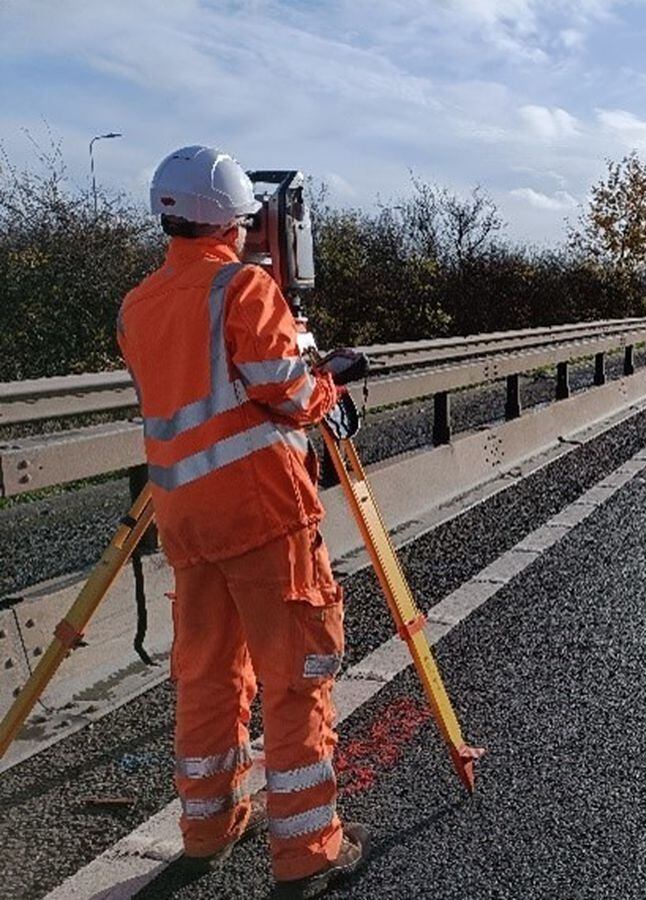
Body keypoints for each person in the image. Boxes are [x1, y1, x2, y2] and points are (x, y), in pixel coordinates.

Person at [117, 145, 369, 898]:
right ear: (237, 216)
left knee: (207, 676)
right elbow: (288, 393)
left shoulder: (136, 306)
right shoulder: (245, 289)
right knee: (295, 681)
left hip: (185, 523)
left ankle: (209, 825)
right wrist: (329, 379)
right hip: (262, 516)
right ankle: (307, 850)